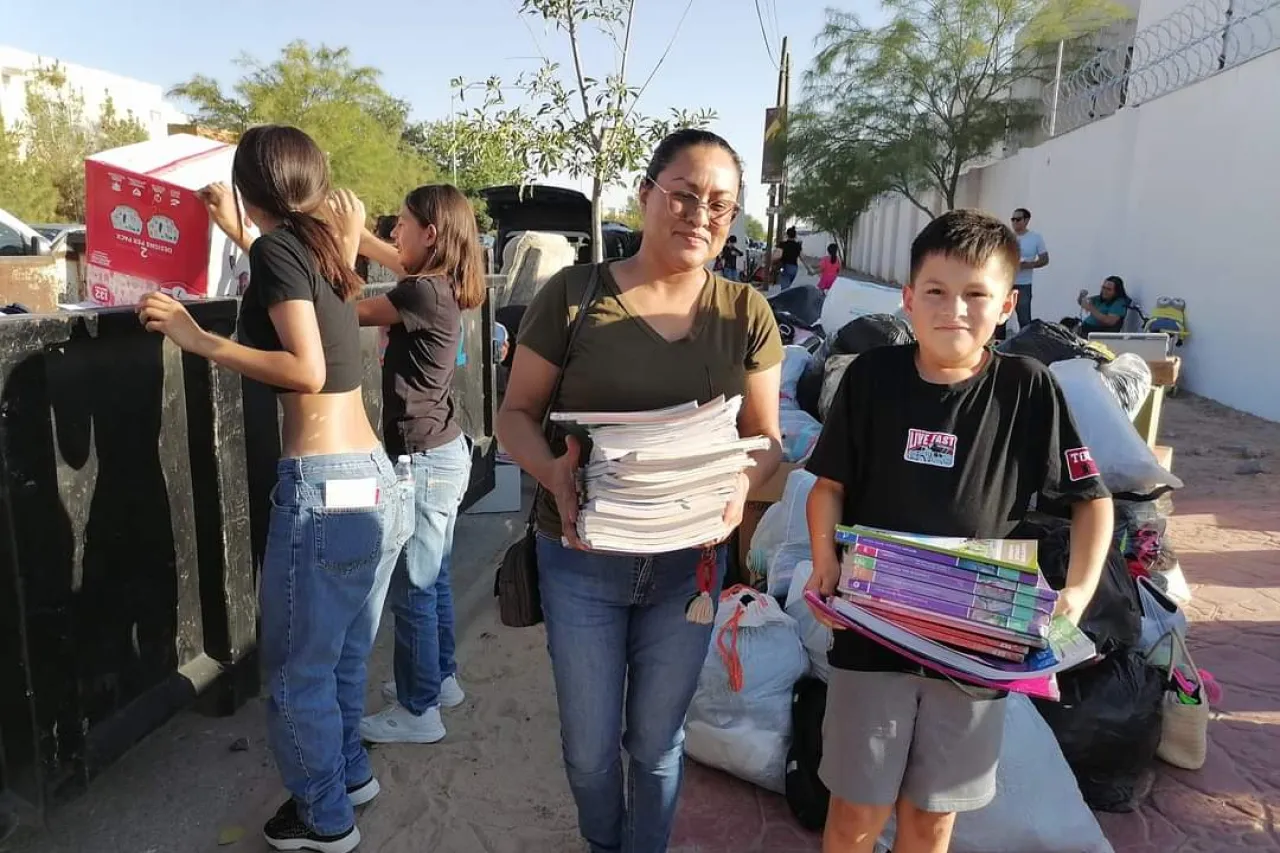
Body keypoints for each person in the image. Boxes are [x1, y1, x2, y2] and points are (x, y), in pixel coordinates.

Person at [496, 128, 783, 853]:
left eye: (721, 203)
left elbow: (768, 441)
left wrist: (739, 486)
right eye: (683, 194)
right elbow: (513, 416)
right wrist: (553, 471)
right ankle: (604, 842)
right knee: (590, 749)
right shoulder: (574, 296)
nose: (699, 214)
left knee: (657, 744)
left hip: (689, 571)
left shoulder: (744, 313)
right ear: (646, 193)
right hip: (581, 559)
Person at [803, 209, 1113, 853]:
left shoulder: (1028, 389)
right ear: (908, 298)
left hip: (974, 650)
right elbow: (827, 488)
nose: (956, 310)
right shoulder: (871, 379)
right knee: (855, 816)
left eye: (977, 294)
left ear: (1006, 305)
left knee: (932, 820)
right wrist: (823, 560)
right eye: (937, 292)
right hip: (871, 633)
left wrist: (1075, 595)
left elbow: (1092, 501)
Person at [138, 124, 411, 853]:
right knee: (343, 655)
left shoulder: (279, 249)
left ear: (248, 188)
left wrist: (200, 339)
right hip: (373, 481)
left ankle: (326, 819)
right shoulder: (318, 248)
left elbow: (307, 368)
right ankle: (351, 775)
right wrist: (242, 229)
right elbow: (306, 301)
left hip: (325, 487)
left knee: (294, 675)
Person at [348, 185, 486, 745]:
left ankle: (419, 709)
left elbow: (347, 313)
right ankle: (441, 678)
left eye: (401, 224)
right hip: (443, 452)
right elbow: (394, 258)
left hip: (425, 461)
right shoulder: (440, 282)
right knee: (435, 581)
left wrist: (331, 255)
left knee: (414, 589)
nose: (393, 233)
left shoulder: (421, 293)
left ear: (430, 234)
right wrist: (347, 232)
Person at [1001, 207, 1048, 337]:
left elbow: (1044, 259)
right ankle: (998, 346)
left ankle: (1025, 346)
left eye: (1018, 219)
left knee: (1024, 318)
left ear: (1026, 220)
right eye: (1013, 219)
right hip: (1005, 282)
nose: (1015, 222)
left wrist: (1028, 265)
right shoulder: (1007, 237)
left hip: (1024, 283)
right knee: (1000, 316)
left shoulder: (1035, 238)